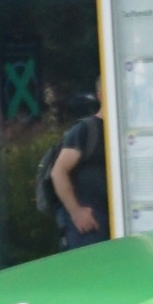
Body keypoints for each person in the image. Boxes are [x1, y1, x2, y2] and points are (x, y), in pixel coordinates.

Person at [47, 81, 110, 249]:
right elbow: (58, 171)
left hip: (118, 224)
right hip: (90, 227)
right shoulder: (86, 130)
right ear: (100, 96)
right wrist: (76, 213)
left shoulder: (121, 131)